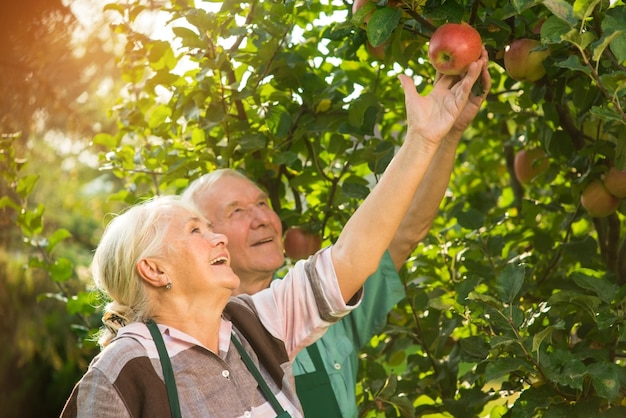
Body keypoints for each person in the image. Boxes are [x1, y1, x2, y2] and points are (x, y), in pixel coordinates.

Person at [61, 51, 489, 418]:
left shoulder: (255, 323)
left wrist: (426, 139)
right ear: (154, 269)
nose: (221, 239)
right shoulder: (119, 376)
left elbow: (355, 252)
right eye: (199, 228)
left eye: (262, 203)